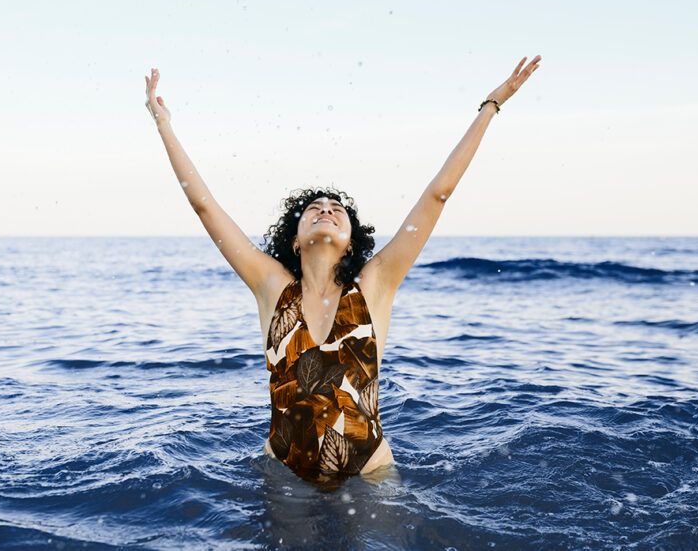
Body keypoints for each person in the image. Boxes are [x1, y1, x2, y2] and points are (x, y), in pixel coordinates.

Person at [144, 56, 541, 486]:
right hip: (285, 473)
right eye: (314, 209)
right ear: (295, 240)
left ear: (350, 240)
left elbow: (437, 196)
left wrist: (491, 105)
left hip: (368, 473)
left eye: (337, 210)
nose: (326, 210)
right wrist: (163, 123)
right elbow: (204, 206)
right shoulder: (272, 286)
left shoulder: (375, 284)